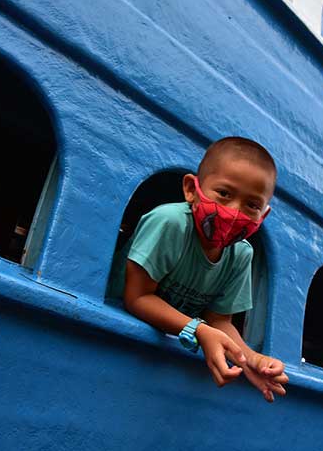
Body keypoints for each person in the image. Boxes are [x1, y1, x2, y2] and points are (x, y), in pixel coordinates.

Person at [108, 137, 288, 402]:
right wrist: (199, 331)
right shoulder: (169, 223)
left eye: (252, 205)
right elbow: (137, 298)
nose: (234, 211)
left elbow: (219, 321)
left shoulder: (241, 254)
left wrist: (250, 359)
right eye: (224, 194)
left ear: (263, 215)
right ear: (192, 189)